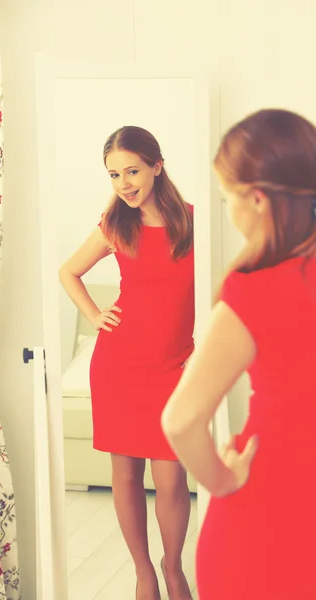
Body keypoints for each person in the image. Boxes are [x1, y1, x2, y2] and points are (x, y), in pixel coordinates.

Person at [161, 108, 316, 600]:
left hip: (270, 512)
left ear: (257, 198)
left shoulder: (257, 292)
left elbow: (181, 420)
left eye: (227, 197)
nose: (229, 210)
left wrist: (222, 480)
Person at [59, 125, 195, 600]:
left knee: (173, 475)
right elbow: (68, 270)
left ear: (157, 165)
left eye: (132, 170)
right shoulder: (116, 225)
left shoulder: (194, 223)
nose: (124, 183)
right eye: (114, 174)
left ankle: (173, 567)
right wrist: (95, 315)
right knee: (125, 473)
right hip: (119, 363)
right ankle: (143, 572)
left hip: (175, 367)